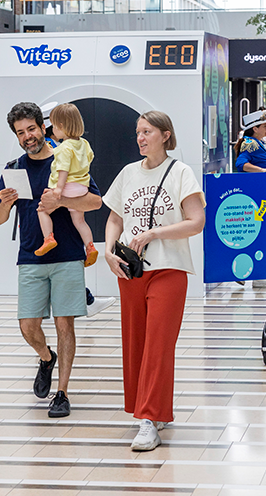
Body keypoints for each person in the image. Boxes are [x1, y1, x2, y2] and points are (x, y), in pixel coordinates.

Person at [0, 102, 103, 418]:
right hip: (30, 257)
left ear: (44, 127)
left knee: (64, 323)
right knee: (28, 326)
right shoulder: (14, 168)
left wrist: (61, 199)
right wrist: (3, 203)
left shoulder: (67, 158)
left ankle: (63, 392)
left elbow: (95, 201)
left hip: (67, 254)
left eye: (31, 129)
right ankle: (45, 357)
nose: (27, 136)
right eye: (20, 132)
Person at [103, 110, 205, 451]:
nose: (140, 138)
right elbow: (115, 218)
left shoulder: (181, 173)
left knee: (159, 344)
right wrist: (107, 250)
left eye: (147, 131)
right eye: (137, 132)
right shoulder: (128, 173)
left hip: (169, 269)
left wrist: (155, 233)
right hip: (131, 271)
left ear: (165, 134)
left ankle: (148, 420)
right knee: (135, 344)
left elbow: (197, 221)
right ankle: (148, 410)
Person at [34, 103, 97, 267]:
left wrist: (59, 189)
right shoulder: (84, 144)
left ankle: (48, 238)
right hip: (82, 187)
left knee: (42, 210)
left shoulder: (64, 147)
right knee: (80, 221)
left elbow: (63, 169)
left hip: (67, 187)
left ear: (61, 126)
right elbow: (90, 158)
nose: (52, 129)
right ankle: (90, 247)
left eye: (54, 125)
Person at [235, 110, 266, 191]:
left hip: (263, 185)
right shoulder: (250, 144)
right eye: (264, 126)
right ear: (255, 129)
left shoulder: (258, 143)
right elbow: (240, 164)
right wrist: (262, 170)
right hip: (256, 187)